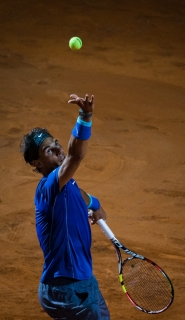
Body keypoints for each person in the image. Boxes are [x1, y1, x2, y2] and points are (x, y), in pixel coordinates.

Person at [20, 93, 110, 320]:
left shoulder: (64, 183)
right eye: (49, 151)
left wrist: (94, 203)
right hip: (70, 288)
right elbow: (76, 155)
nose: (59, 150)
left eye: (56, 144)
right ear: (37, 163)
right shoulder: (49, 185)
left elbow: (77, 192)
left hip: (72, 285)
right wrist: (85, 116)